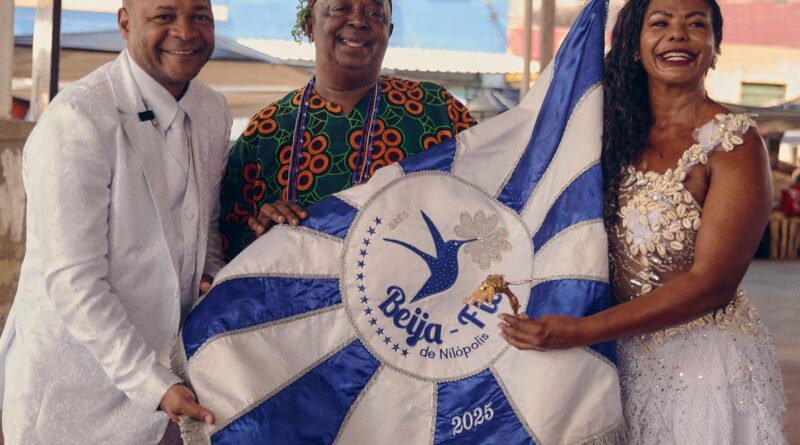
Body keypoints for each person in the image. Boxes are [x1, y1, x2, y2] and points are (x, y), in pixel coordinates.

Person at [497, 0, 787, 443]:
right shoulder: (604, 129)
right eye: (660, 23)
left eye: (696, 25)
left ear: (714, 46)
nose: (678, 34)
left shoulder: (732, 144)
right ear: (634, 45)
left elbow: (712, 284)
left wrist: (580, 330)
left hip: (698, 368)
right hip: (608, 361)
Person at [0, 0, 231, 442]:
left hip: (169, 386)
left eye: (199, 16)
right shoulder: (78, 119)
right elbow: (73, 280)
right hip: (73, 392)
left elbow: (207, 227)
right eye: (164, 16)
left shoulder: (211, 110)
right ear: (125, 23)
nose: (185, 32)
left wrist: (213, 281)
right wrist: (154, 384)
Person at [220, 0, 477, 259]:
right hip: (300, 297)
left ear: (388, 31)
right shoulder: (268, 130)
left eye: (374, 13)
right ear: (310, 26)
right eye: (341, 8)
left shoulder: (435, 110)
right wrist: (262, 231)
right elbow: (223, 242)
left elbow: (490, 199)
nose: (358, 20)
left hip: (412, 295)